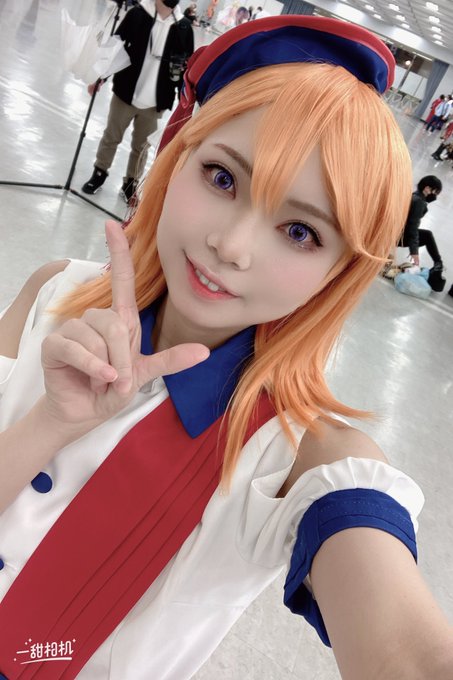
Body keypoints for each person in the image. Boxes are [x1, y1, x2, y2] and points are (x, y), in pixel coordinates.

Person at [1, 16, 453, 680]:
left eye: (299, 232)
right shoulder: (55, 292)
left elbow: (408, 655)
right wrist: (50, 423)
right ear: (178, 156)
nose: (232, 247)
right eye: (221, 177)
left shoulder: (300, 457)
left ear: (338, 273)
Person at [81, 0, 194, 204]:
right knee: (111, 136)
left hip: (155, 101)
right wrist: (101, 76)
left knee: (141, 147)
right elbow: (116, 48)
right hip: (126, 91)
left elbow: (187, 67)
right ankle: (99, 173)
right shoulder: (137, 14)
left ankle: (130, 184)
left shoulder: (183, 26)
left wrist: (184, 101)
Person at [399, 175, 443, 270]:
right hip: (398, 236)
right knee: (427, 236)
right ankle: (439, 265)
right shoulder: (419, 202)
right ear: (427, 188)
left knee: (427, 235)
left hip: (397, 231)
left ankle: (438, 264)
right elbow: (413, 227)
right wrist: (414, 251)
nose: (435, 196)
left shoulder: (414, 195)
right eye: (435, 192)